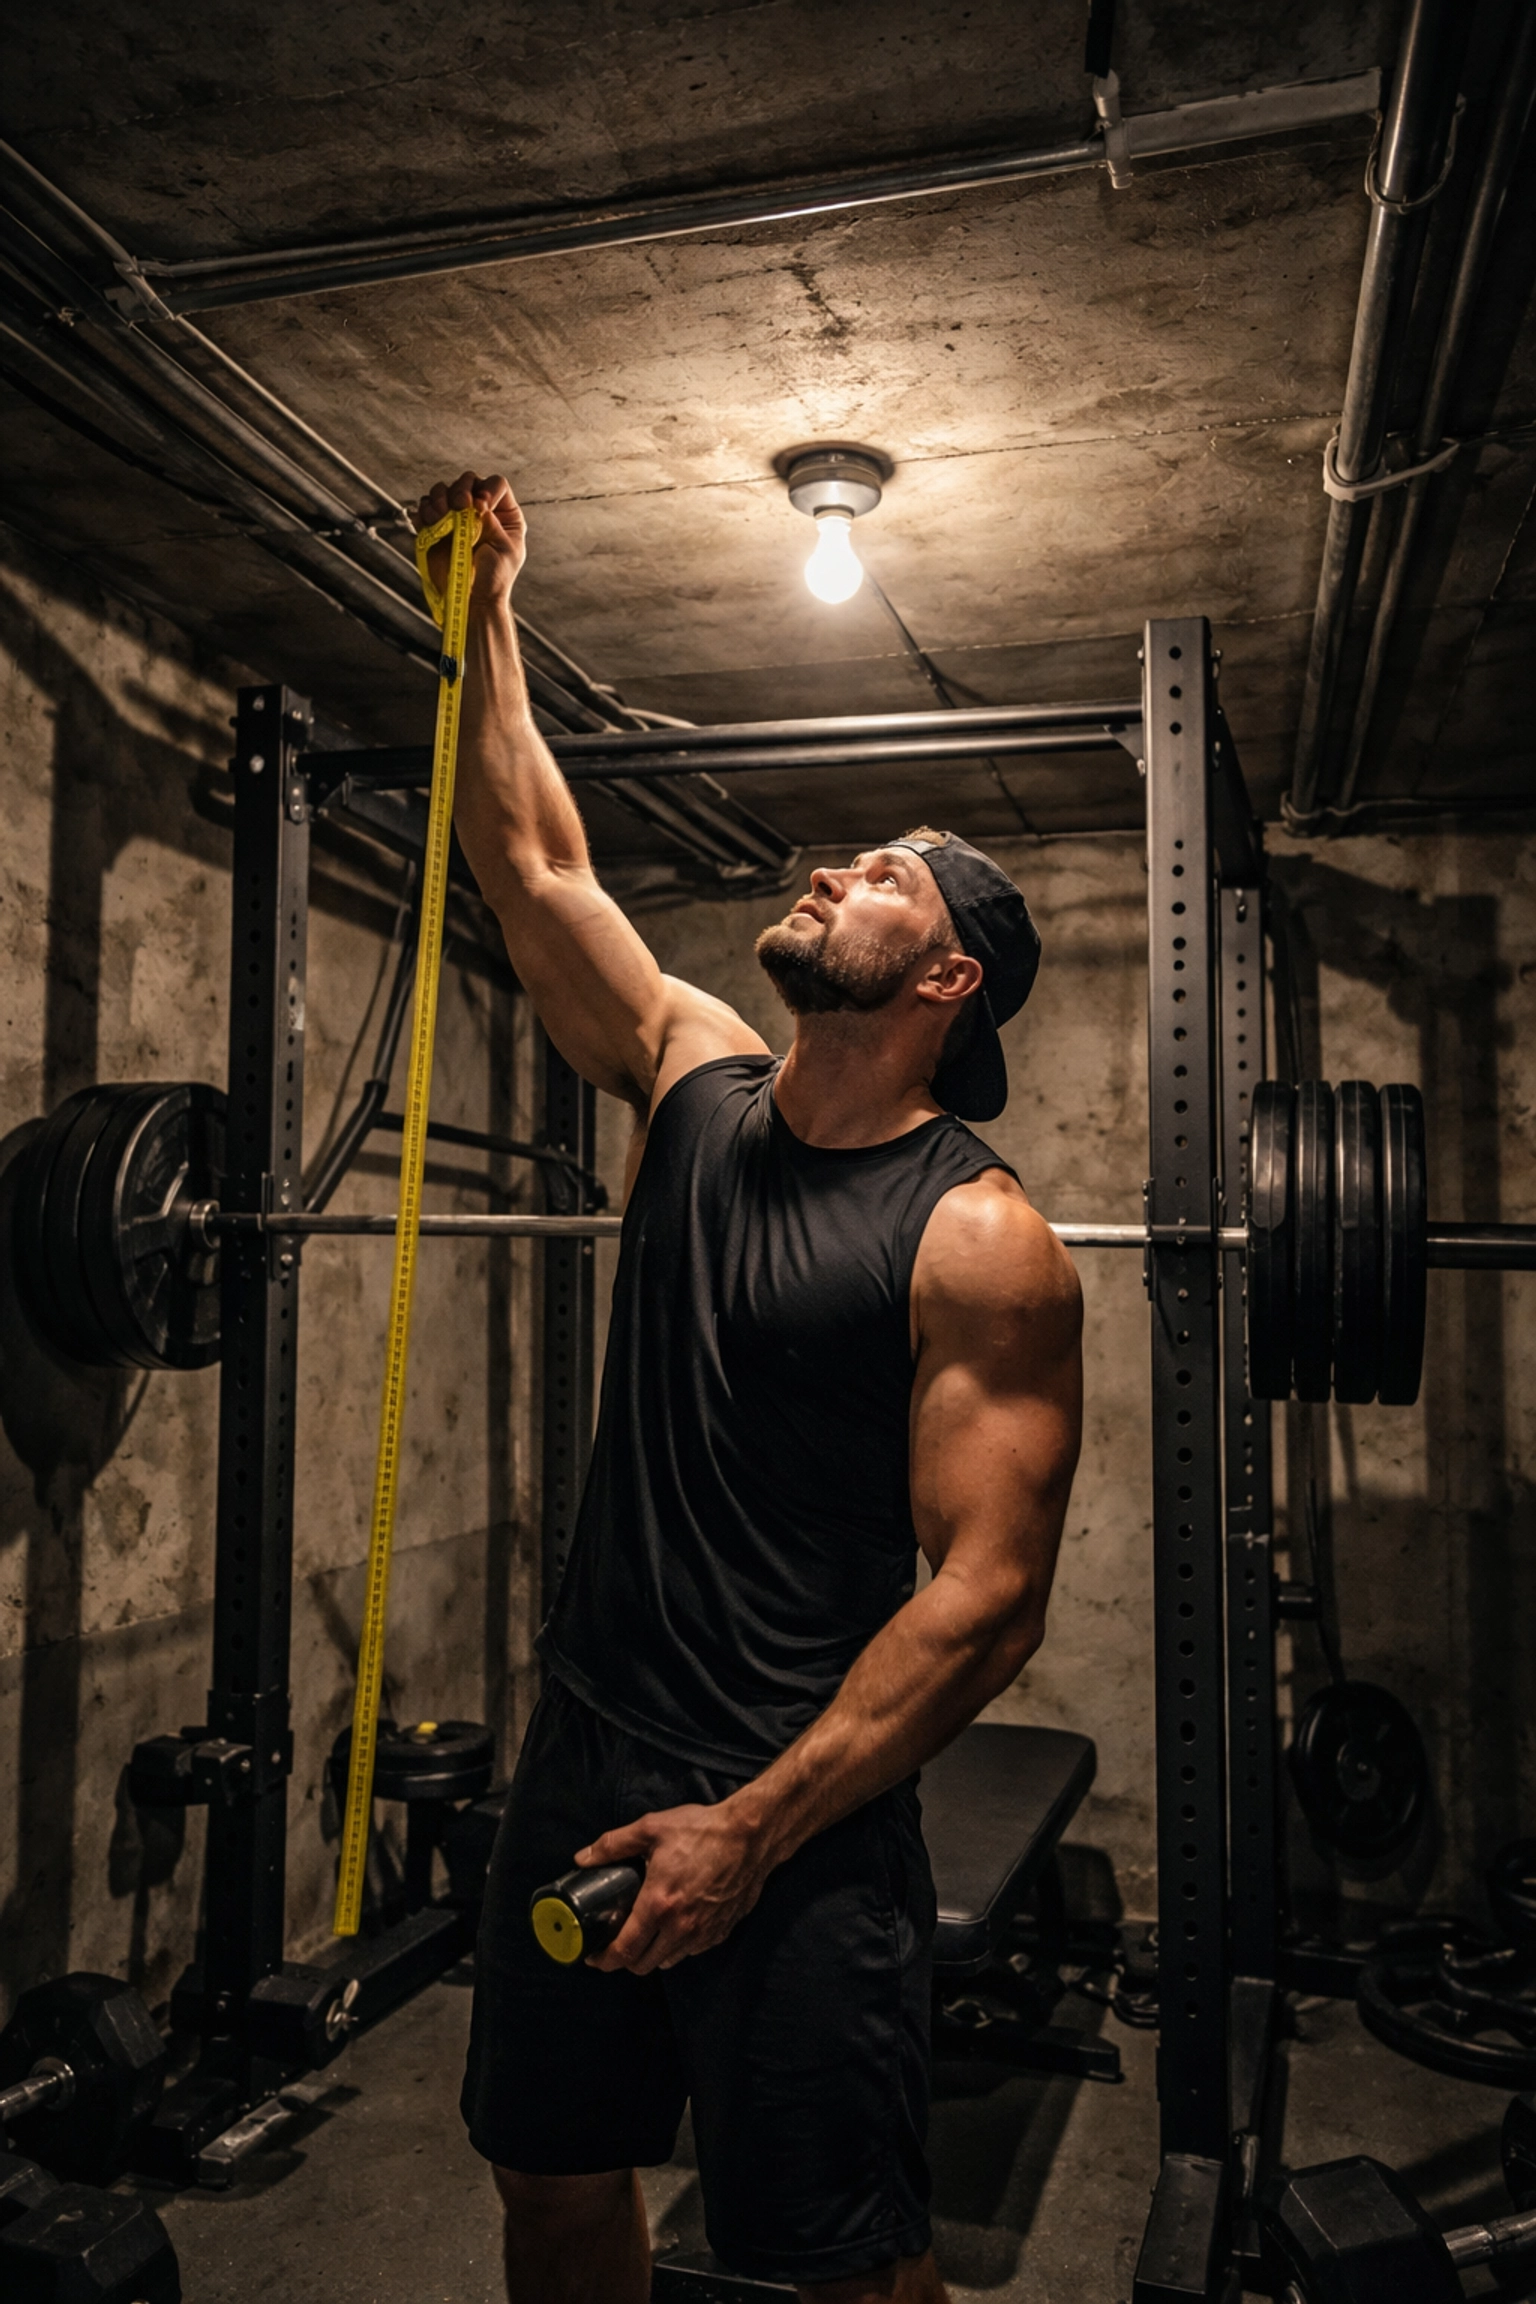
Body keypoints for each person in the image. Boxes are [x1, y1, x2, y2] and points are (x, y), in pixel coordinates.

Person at [420, 471, 1083, 2304]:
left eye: (884, 880)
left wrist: (752, 1828)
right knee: (552, 2178)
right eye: (843, 858)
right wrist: (483, 614)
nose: (831, 871)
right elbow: (539, 869)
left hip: (794, 1801)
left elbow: (987, 1600)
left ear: (948, 973)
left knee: (847, 2262)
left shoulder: (982, 1241)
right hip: (588, 1746)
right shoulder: (693, 1077)